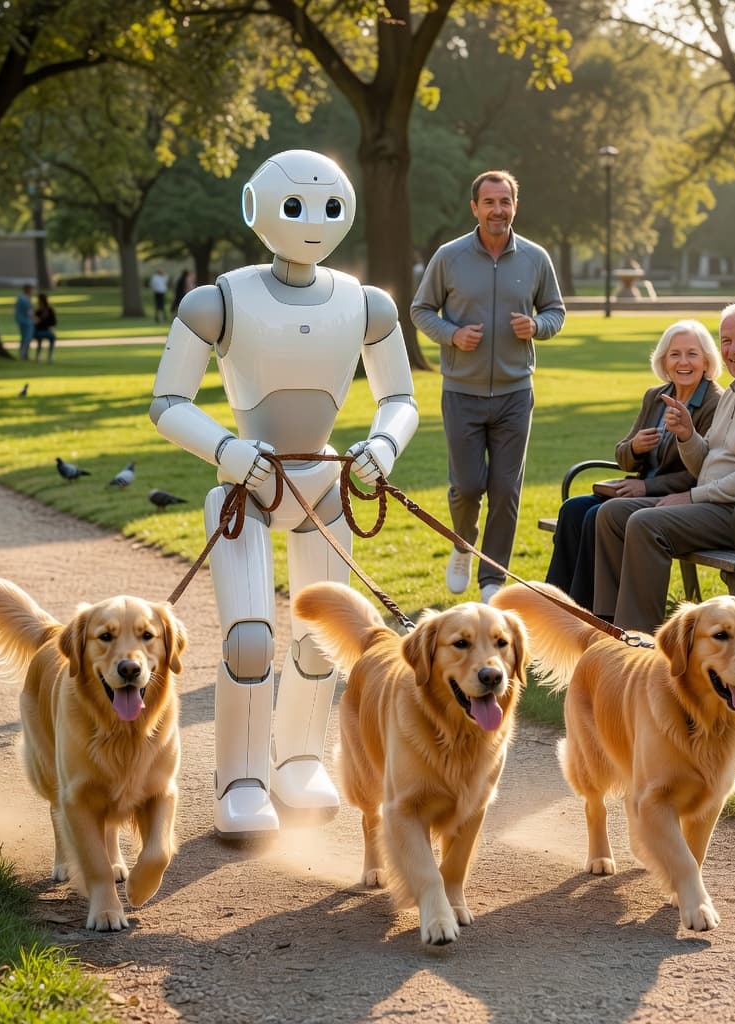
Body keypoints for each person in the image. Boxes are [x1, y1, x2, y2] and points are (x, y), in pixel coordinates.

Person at [150, 150, 418, 840]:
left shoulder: (368, 303)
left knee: (322, 640)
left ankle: (299, 757)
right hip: (247, 489)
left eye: (329, 208)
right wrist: (229, 451)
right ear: (257, 208)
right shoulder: (219, 300)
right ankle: (240, 779)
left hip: (325, 486)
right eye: (294, 207)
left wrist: (381, 447)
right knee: (248, 640)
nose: (311, 222)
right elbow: (168, 401)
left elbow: (399, 398)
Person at [593, 301, 735, 635]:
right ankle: (608, 630)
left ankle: (638, 642)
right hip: (720, 507)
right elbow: (708, 459)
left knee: (644, 524)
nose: (732, 350)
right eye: (726, 341)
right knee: (612, 514)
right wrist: (687, 435)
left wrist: (692, 497)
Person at [411, 169, 566, 604]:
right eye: (490, 202)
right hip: (461, 392)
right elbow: (421, 309)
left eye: (505, 201)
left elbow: (556, 311)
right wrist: (451, 334)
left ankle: (492, 580)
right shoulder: (449, 256)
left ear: (515, 206)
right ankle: (463, 544)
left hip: (516, 393)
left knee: (506, 489)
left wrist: (536, 325)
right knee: (466, 487)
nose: (498, 210)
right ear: (475, 208)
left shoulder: (535, 258)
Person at [545, 320, 723, 610]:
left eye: (692, 354)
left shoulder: (715, 403)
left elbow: (702, 472)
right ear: (664, 361)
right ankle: (551, 606)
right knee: (572, 510)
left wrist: (646, 485)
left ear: (707, 360)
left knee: (594, 515)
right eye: (675, 354)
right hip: (633, 491)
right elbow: (622, 455)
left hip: (671, 499)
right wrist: (635, 447)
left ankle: (583, 612)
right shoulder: (655, 396)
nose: (683, 362)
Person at [32, 293, 57, 362]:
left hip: (46, 330)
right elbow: (35, 323)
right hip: (39, 331)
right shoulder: (38, 311)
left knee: (52, 337)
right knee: (41, 337)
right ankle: (39, 356)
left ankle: (49, 356)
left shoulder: (49, 310)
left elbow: (54, 322)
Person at [14, 283, 34, 360]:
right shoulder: (24, 299)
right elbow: (29, 311)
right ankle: (23, 354)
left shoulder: (21, 298)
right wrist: (35, 319)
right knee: (26, 338)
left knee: (25, 338)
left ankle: (24, 354)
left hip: (22, 320)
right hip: (26, 321)